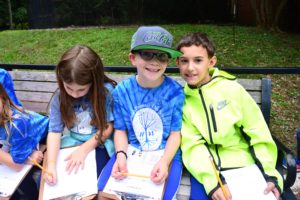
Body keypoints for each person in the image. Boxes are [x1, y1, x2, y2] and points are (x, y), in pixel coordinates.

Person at [176, 32, 283, 200]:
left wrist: (270, 174)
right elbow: (192, 145)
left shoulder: (232, 90)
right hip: (208, 171)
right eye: (184, 61)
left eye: (198, 60)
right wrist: (213, 182)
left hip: (244, 166)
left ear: (211, 62)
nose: (190, 68)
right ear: (178, 63)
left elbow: (257, 132)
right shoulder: (183, 100)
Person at [97, 26, 185, 199]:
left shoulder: (175, 92)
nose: (155, 62)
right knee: (103, 194)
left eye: (162, 56)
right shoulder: (122, 91)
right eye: (147, 54)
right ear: (133, 58)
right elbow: (120, 130)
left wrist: (164, 162)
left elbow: (176, 134)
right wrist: (121, 155)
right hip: (132, 152)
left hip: (166, 155)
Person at [44, 45, 116, 186]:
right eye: (68, 87)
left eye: (81, 89)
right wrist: (51, 164)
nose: (74, 94)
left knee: (94, 183)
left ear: (94, 81)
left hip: (99, 144)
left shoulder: (105, 93)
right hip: (72, 141)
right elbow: (54, 132)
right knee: (52, 178)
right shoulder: (59, 96)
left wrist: (84, 150)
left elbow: (107, 128)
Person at [0, 83, 49, 200]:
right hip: (15, 143)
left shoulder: (18, 123)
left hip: (44, 138)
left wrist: (22, 158)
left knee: (24, 184)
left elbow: (16, 165)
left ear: (2, 97)